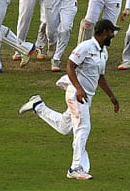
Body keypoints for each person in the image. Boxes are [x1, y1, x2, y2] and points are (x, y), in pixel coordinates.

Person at [18, 19, 120, 181]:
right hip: (76, 94)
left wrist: (112, 97)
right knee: (83, 127)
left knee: (64, 127)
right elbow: (70, 66)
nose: (113, 35)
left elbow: (100, 77)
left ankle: (38, 106)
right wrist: (79, 89)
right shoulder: (85, 47)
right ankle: (75, 167)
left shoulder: (103, 52)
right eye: (110, 32)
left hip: (87, 96)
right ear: (102, 32)